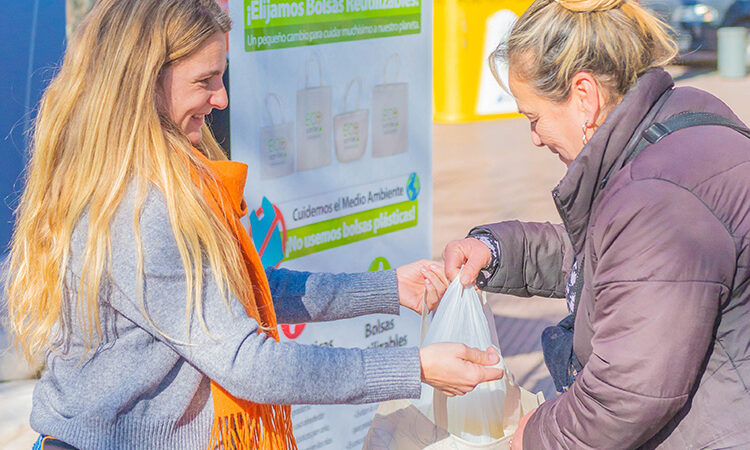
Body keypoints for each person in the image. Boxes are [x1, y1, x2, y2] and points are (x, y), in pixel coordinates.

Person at [3, 1, 504, 449]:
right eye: (204, 81)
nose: (220, 99)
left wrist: (389, 287)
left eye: (221, 77)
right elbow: (249, 364)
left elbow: (239, 292)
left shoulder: (129, 175)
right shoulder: (143, 207)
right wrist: (412, 368)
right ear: (141, 80)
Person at [443, 0, 750, 448]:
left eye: (534, 117)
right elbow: (616, 263)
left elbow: (626, 394)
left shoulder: (656, 197)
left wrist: (537, 434)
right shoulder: (676, 120)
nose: (534, 138)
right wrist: (497, 252)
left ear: (584, 96)